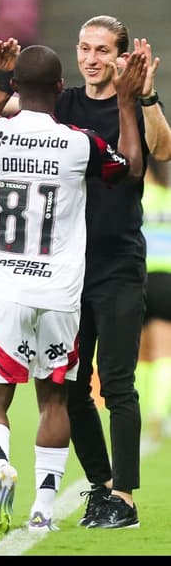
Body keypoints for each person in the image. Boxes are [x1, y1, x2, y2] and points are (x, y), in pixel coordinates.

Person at [0, 16, 171, 530]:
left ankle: (126, 501)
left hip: (118, 264)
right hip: (66, 272)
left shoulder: (132, 101)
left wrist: (146, 97)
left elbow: (163, 149)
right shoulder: (61, 105)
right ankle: (103, 487)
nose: (91, 58)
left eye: (103, 50)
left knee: (117, 384)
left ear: (122, 57)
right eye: (85, 48)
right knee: (71, 388)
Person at [138, 157, 171, 441]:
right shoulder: (167, 198)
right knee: (164, 349)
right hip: (166, 277)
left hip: (137, 277)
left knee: (142, 352)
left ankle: (143, 408)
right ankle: (158, 410)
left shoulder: (136, 197)